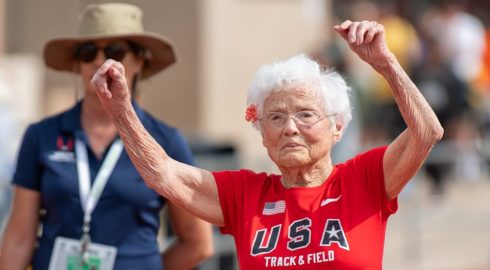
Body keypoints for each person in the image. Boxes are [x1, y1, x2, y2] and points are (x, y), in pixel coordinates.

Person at [92, 20, 443, 269]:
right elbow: (164, 175)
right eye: (275, 117)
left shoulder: (363, 179)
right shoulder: (246, 195)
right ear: (262, 133)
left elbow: (426, 131)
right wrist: (121, 111)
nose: (290, 128)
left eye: (305, 115)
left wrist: (385, 64)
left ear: (337, 128)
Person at [0, 3, 213, 270]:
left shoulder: (166, 141)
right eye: (88, 52)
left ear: (140, 60)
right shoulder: (40, 135)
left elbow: (198, 244)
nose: (100, 61)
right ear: (77, 63)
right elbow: (18, 238)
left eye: (115, 51)